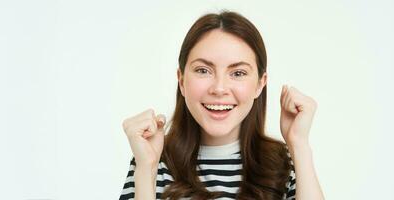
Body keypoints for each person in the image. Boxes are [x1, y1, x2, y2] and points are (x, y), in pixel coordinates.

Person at [119, 11, 324, 200]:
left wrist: (299, 145)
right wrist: (147, 170)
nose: (219, 88)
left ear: (260, 85)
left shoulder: (284, 163)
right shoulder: (152, 159)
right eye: (203, 70)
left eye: (238, 73)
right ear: (181, 80)